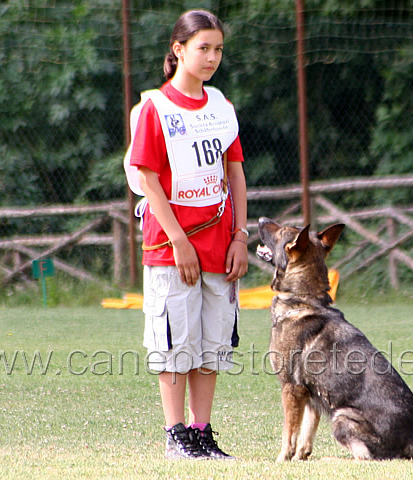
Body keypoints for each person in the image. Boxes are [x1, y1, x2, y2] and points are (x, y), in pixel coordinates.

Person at [125, 9, 248, 460]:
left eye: (218, 49)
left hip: (221, 243)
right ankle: (175, 434)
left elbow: (235, 175)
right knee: (176, 340)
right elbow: (148, 179)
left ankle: (201, 431)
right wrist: (178, 240)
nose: (212, 57)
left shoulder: (221, 107)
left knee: (213, 342)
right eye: (203, 48)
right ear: (178, 50)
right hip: (170, 244)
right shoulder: (155, 107)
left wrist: (240, 236)